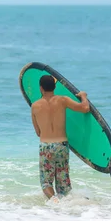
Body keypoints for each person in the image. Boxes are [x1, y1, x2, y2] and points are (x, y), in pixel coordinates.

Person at [31, 75, 90, 203]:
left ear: (41, 88)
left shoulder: (35, 106)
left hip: (46, 146)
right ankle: (67, 206)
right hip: (62, 145)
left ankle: (54, 201)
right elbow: (85, 108)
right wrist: (83, 96)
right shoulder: (63, 100)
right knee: (63, 183)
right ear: (55, 87)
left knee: (46, 183)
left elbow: (38, 132)